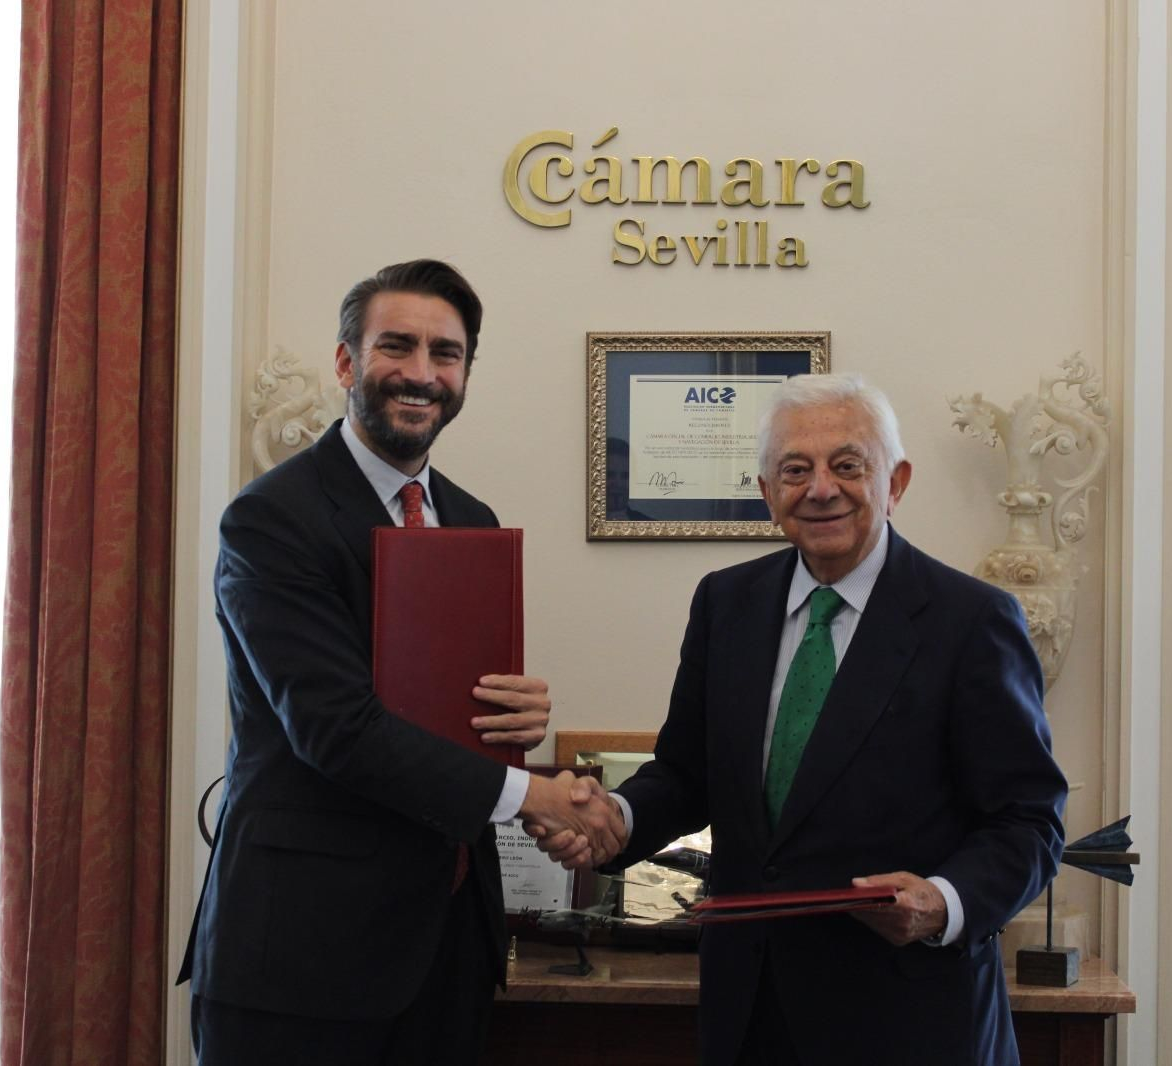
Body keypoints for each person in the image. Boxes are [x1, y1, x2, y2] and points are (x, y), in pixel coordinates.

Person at [534, 373, 1068, 1065]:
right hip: (748, 1013)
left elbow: (1029, 819)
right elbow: (686, 774)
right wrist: (615, 819)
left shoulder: (972, 621)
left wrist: (943, 901)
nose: (820, 489)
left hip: (908, 1020)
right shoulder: (726, 603)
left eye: (847, 465)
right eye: (795, 470)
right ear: (767, 491)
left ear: (895, 482)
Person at [177, 259, 623, 1065]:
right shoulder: (270, 520)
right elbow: (337, 729)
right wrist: (536, 794)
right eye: (397, 346)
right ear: (346, 362)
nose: (421, 373)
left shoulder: (471, 519)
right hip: (301, 956)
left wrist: (509, 722)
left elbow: (446, 714)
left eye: (445, 354)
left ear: (466, 374)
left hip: (447, 947)